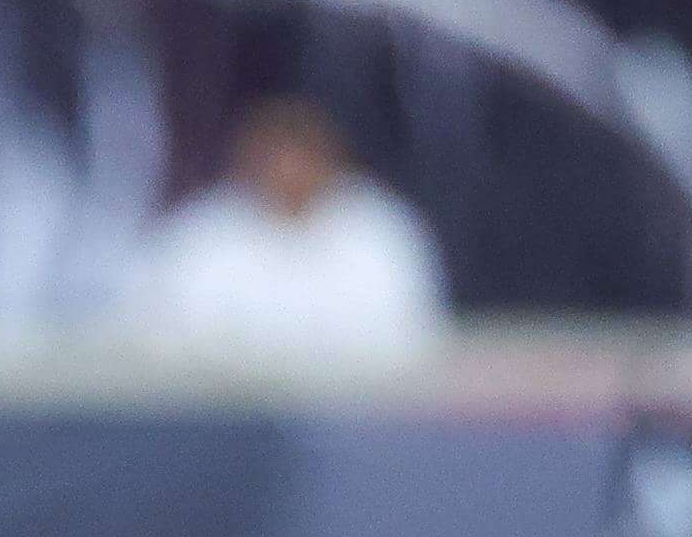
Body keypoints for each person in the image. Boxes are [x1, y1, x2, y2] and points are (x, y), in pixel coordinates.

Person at [122, 93, 448, 365]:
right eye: (276, 156)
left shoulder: (381, 233)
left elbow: (413, 341)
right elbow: (158, 345)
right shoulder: (199, 237)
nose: (288, 171)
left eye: (301, 157)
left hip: (356, 421)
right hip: (227, 423)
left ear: (329, 159)